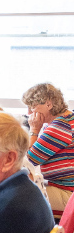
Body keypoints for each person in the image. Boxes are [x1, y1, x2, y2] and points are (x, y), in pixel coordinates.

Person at [24, 82, 74, 212]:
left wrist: (34, 130)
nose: (29, 112)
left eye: (32, 106)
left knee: (17, 199)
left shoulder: (60, 126)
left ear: (49, 104)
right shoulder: (67, 118)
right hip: (63, 187)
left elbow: (29, 161)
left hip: (68, 193)